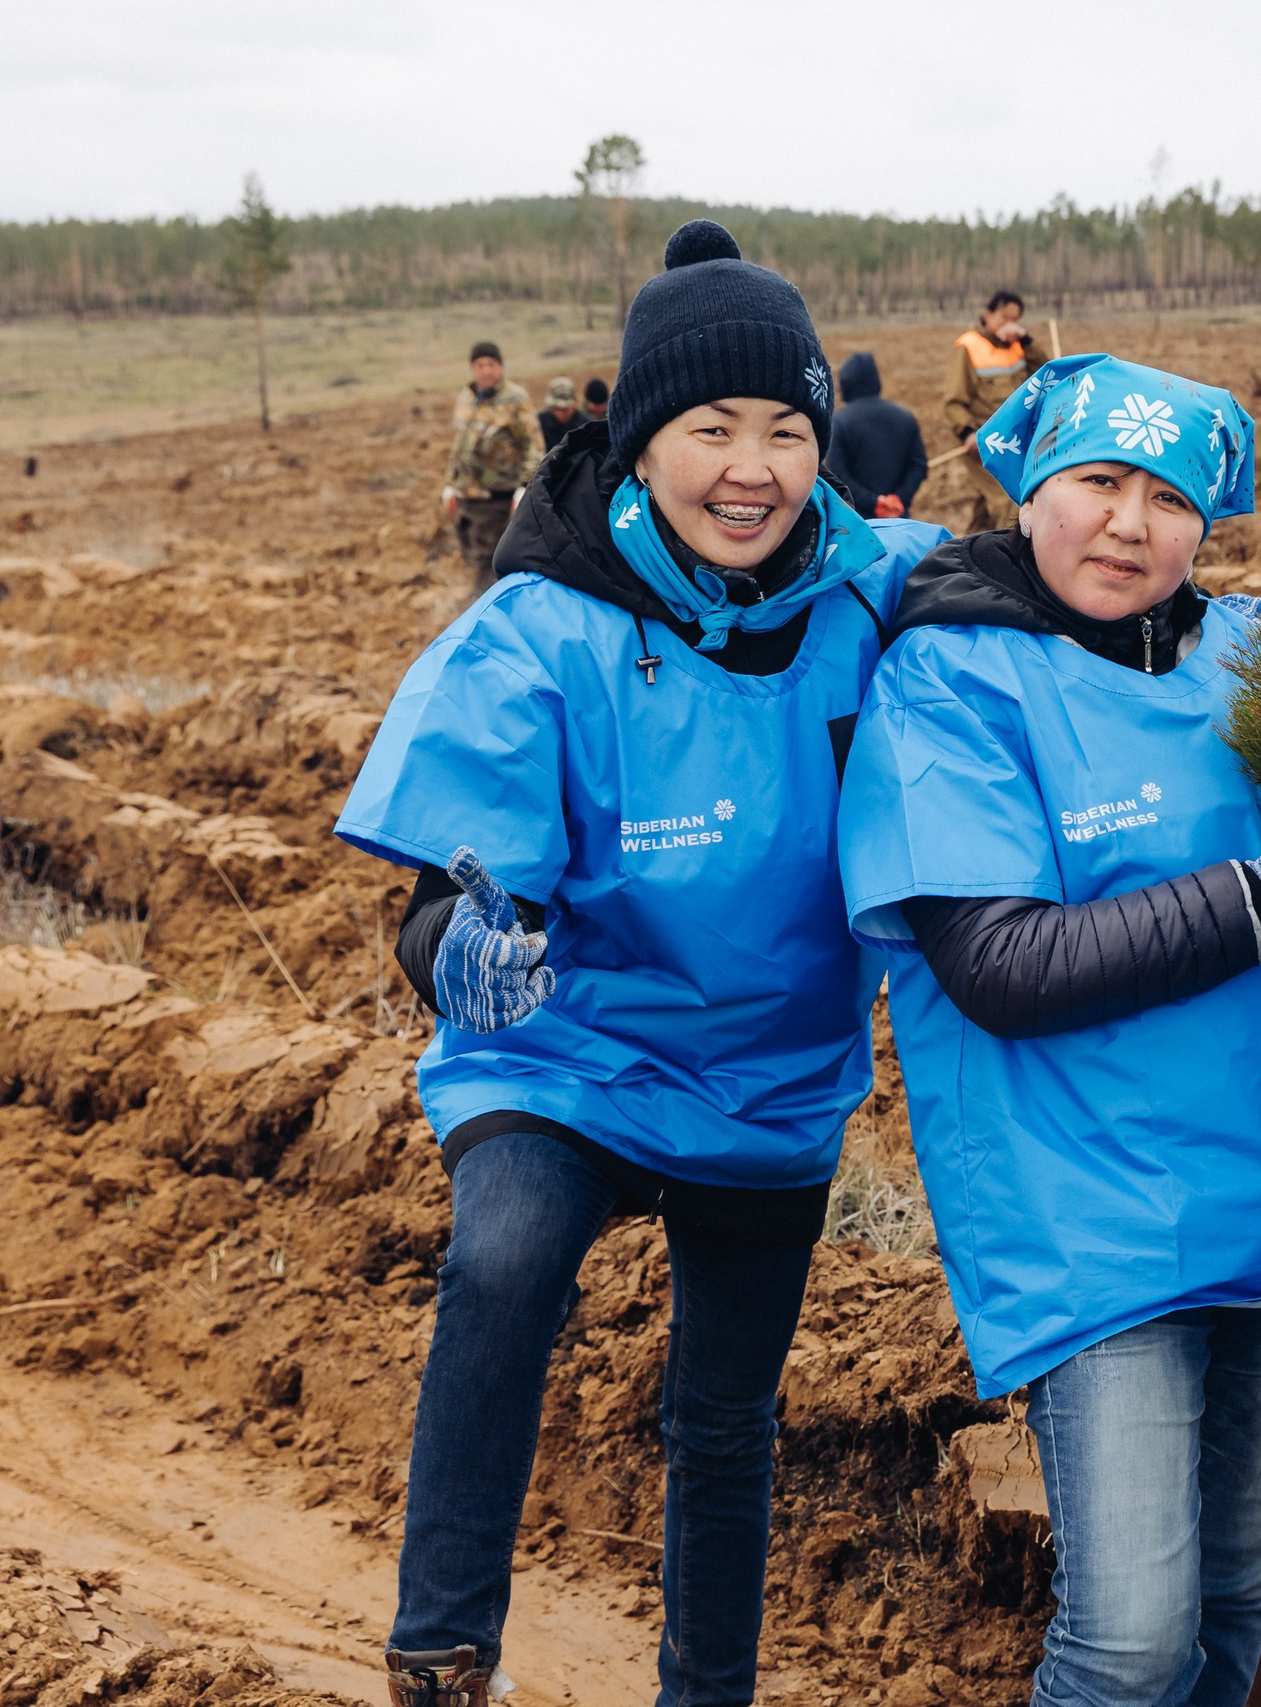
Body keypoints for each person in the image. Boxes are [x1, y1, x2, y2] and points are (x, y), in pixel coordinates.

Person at [336, 220, 948, 1707]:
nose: (753, 466)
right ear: (639, 440)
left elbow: (1086, 595)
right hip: (572, 1054)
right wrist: (460, 950)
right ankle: (442, 1648)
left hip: (771, 1078)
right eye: (711, 428)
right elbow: (441, 895)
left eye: (786, 430)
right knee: (502, 1259)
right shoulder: (543, 631)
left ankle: (706, 1690)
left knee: (727, 1415)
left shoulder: (884, 599)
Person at [840, 354, 1261, 1707]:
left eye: (1169, 496)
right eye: (1098, 482)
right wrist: (1257, 892)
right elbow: (1000, 961)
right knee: (1126, 1644)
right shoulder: (951, 680)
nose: (1131, 522)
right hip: (1098, 1215)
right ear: (1025, 484)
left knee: (1233, 1601)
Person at [940, 289, 1046, 533]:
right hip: (986, 444)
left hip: (1017, 441)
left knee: (986, 506)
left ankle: (966, 551)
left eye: (1015, 320)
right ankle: (1008, 561)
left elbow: (1046, 373)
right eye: (1004, 318)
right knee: (1008, 502)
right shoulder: (967, 346)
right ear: (987, 315)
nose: (1010, 325)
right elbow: (954, 400)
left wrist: (1027, 340)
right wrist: (967, 432)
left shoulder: (1019, 345)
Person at [441, 342, 542, 595]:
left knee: (490, 561)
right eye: (480, 365)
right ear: (473, 369)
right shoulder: (466, 398)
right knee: (470, 555)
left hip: (497, 496)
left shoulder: (515, 399)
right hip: (466, 495)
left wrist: (524, 486)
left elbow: (533, 445)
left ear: (500, 367)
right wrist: (450, 484)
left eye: (491, 365)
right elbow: (459, 444)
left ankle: (481, 608)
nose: (486, 371)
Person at [823, 352, 927, 520]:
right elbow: (919, 465)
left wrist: (875, 503)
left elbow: (836, 474)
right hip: (898, 519)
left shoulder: (839, 422)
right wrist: (898, 499)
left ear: (846, 384)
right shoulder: (905, 417)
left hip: (858, 523)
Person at [536, 375, 581, 451]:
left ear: (574, 403)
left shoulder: (585, 426)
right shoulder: (540, 423)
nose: (559, 414)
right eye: (556, 409)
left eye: (564, 409)